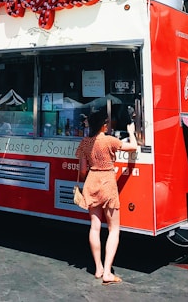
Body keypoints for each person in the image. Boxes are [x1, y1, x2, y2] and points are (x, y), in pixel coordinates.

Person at [75, 110, 137, 285]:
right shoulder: (110, 140)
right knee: (113, 229)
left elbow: (82, 171)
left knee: (94, 227)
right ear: (103, 125)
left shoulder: (85, 143)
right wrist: (131, 133)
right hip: (108, 182)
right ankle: (108, 272)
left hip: (92, 182)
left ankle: (98, 268)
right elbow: (133, 147)